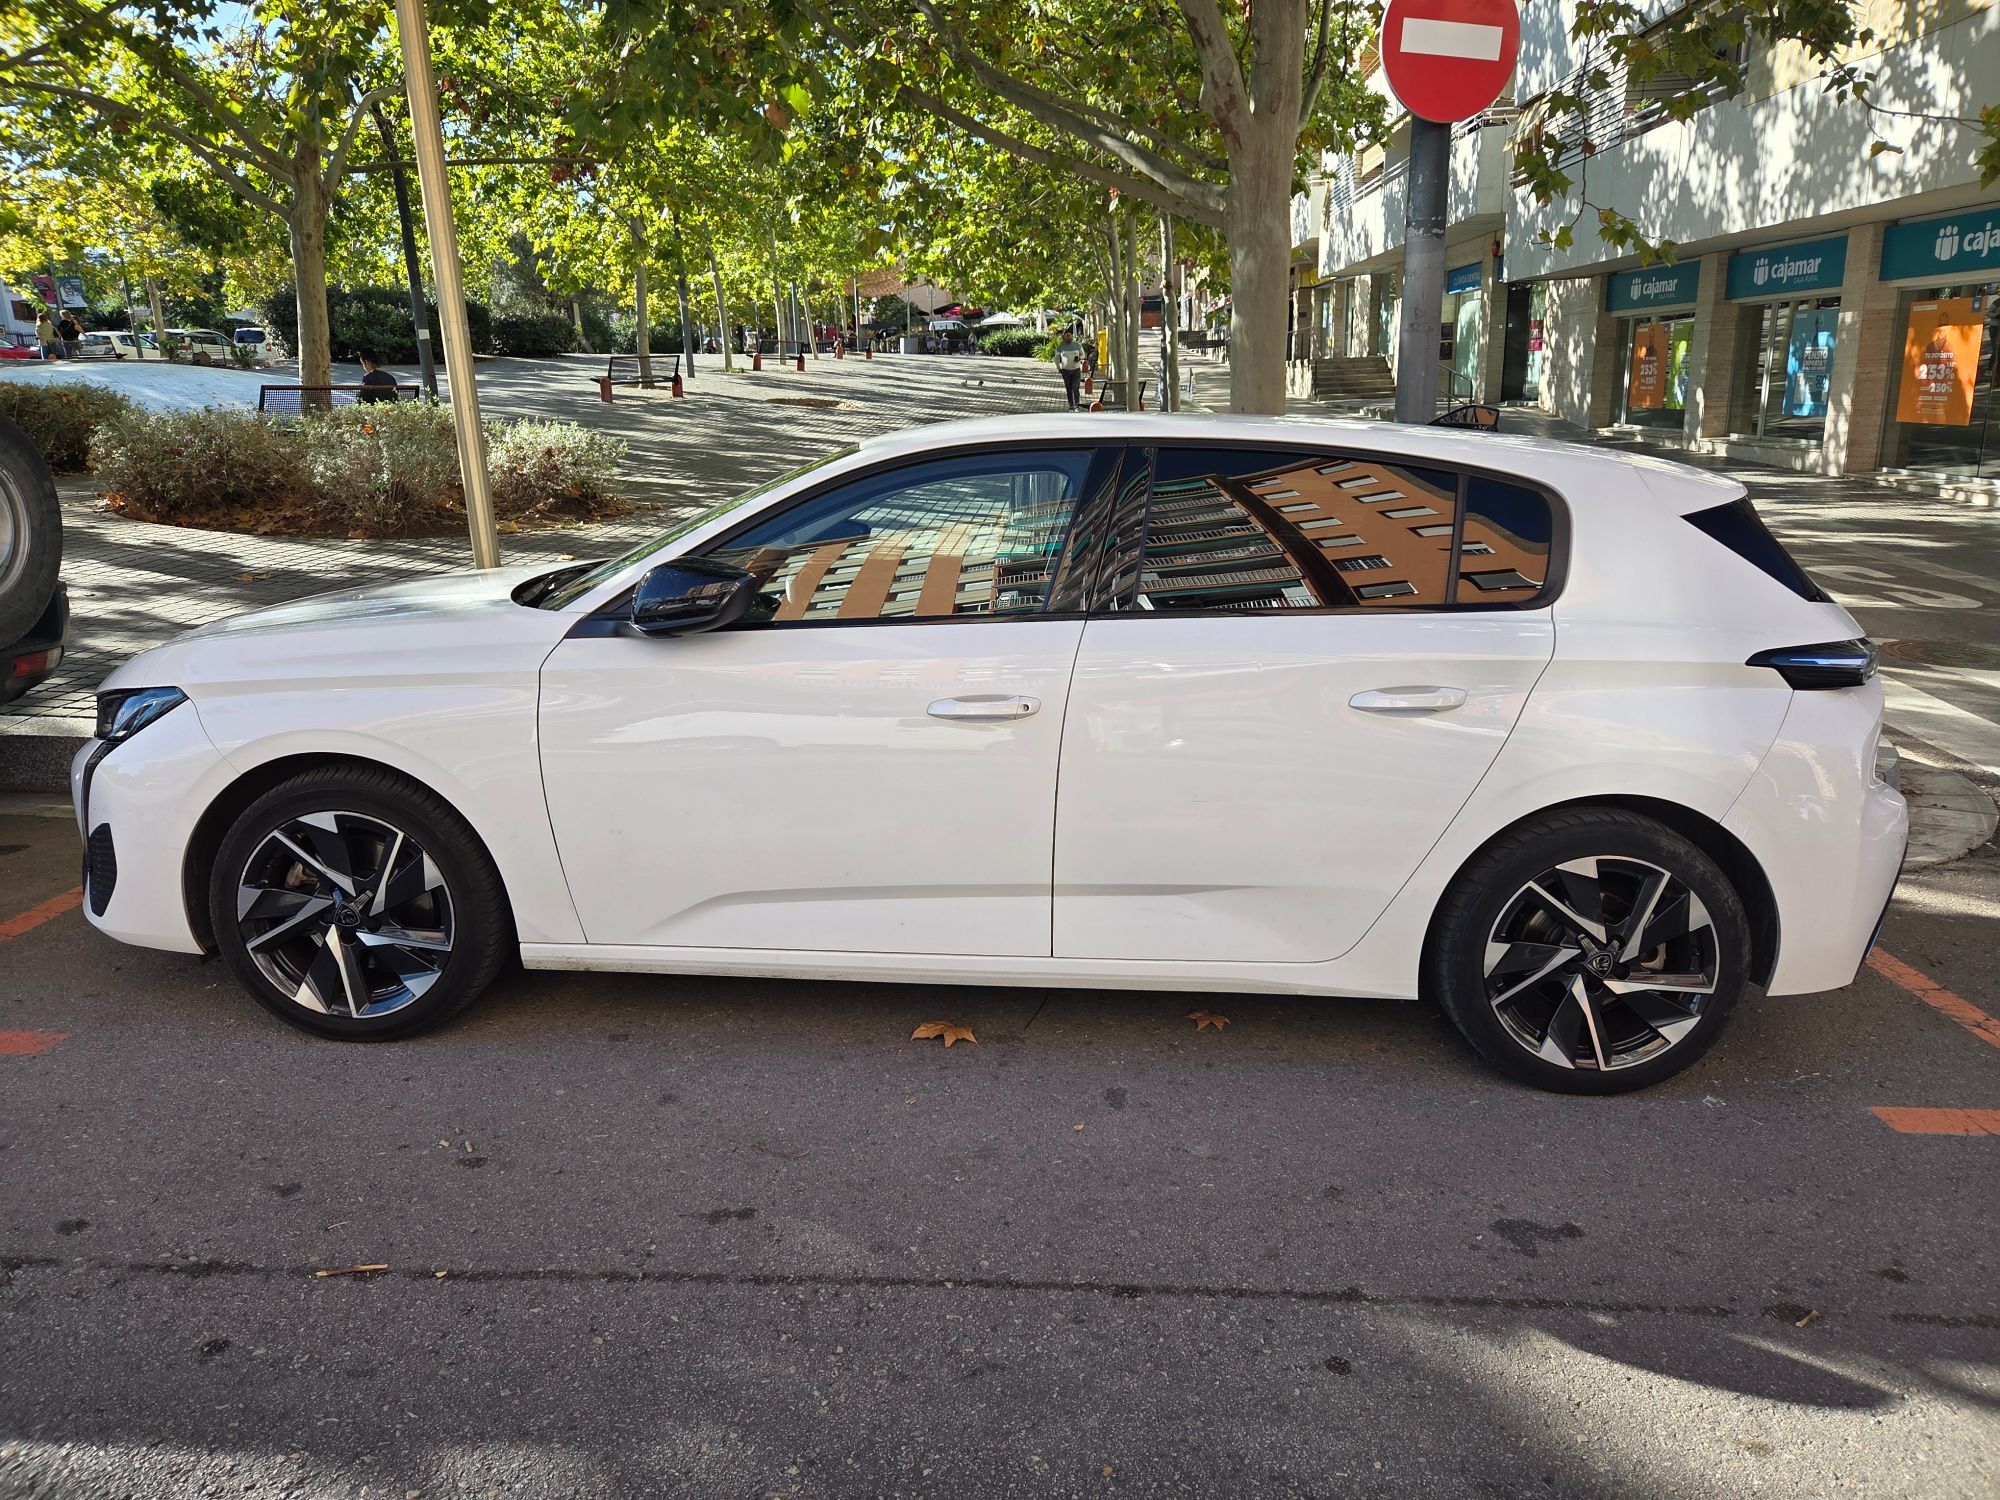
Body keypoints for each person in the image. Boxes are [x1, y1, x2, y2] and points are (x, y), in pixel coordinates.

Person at [1054, 327, 1084, 410]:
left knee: (1075, 388)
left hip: (1076, 370)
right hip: (1065, 371)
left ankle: (1077, 405)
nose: (1068, 337)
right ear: (1064, 337)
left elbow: (1083, 355)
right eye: (1066, 336)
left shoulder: (1077, 345)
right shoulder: (1060, 347)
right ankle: (1071, 405)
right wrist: (1058, 368)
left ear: (1072, 337)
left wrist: (1079, 358)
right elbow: (1056, 358)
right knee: (1069, 389)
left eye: (1069, 336)